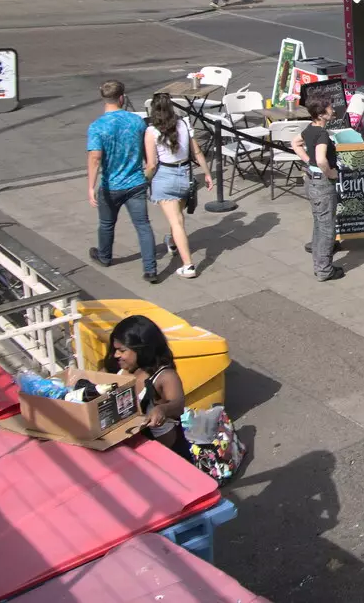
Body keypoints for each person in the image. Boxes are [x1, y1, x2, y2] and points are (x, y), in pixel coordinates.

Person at [86, 80, 162, 284]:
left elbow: (95, 158)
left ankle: (105, 256)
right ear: (122, 98)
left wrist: (90, 187)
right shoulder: (136, 121)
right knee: (143, 225)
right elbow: (147, 151)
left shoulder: (97, 126)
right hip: (136, 182)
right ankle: (150, 269)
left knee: (106, 223)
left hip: (111, 185)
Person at [143, 92, 213, 280]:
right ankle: (173, 243)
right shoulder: (183, 123)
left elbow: (151, 164)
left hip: (164, 177)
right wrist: (207, 173)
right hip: (185, 175)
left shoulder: (151, 131)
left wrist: (144, 181)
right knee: (178, 217)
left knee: (177, 222)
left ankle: (188, 265)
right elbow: (196, 151)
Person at [102, 315, 190, 457]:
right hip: (126, 448)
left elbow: (178, 404)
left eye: (122, 351)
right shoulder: (117, 367)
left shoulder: (164, 376)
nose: (116, 355)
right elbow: (95, 382)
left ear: (142, 349)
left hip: (164, 455)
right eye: (115, 349)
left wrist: (162, 409)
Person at [291, 98, 345, 281]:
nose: (332, 110)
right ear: (321, 114)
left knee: (319, 222)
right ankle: (324, 269)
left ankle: (319, 263)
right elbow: (321, 159)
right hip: (322, 183)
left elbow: (295, 143)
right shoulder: (322, 133)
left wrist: (308, 161)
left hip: (311, 181)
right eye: (329, 108)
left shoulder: (309, 128)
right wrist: (330, 173)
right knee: (326, 228)